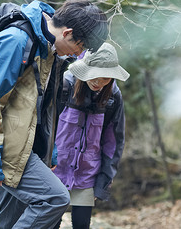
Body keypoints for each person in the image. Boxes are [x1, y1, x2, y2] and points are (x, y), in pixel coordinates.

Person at [0, 0, 109, 228]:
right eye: (81, 47)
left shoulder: (46, 46)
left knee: (9, 221)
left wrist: (50, 149)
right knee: (55, 199)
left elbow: (42, 105)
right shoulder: (16, 41)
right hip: (2, 145)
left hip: (23, 143)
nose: (79, 54)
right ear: (68, 33)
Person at [53, 42, 129, 229]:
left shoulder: (113, 97)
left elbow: (113, 141)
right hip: (54, 169)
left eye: (105, 79)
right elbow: (45, 127)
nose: (98, 83)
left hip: (87, 173)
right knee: (50, 222)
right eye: (95, 76)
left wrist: (104, 178)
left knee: (81, 224)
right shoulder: (64, 85)